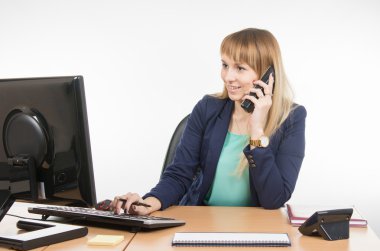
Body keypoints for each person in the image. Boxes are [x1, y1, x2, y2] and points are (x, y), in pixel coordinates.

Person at [111, 28, 306, 215]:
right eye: (225, 65)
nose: (228, 77)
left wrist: (257, 130)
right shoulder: (207, 109)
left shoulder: (291, 119)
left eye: (240, 68)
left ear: (267, 75)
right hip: (202, 221)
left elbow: (274, 199)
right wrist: (145, 204)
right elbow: (179, 174)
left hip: (256, 228)